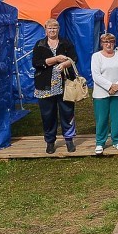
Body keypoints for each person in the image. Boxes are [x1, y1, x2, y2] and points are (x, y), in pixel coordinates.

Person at [32, 18, 78, 154]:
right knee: (48, 115)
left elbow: (74, 59)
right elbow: (36, 63)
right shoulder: (40, 44)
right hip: (45, 85)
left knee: (67, 112)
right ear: (45, 30)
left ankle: (69, 139)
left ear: (59, 29)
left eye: (55, 28)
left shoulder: (66, 43)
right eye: (50, 28)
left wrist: (65, 64)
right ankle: (50, 141)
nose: (52, 31)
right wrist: (55, 59)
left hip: (65, 85)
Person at [91, 33, 118, 155]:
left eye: (111, 42)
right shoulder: (96, 56)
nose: (108, 44)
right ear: (101, 43)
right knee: (102, 118)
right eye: (106, 42)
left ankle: (116, 140)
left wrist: (117, 85)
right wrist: (110, 86)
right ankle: (100, 142)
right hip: (101, 93)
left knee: (117, 117)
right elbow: (96, 75)